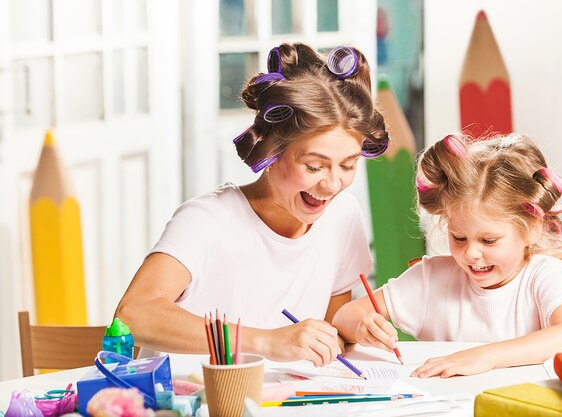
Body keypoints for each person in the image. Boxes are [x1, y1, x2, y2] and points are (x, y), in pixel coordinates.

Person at [114, 43, 389, 367]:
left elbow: (332, 333)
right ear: (271, 152)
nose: (331, 184)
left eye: (348, 165)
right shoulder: (208, 219)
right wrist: (264, 340)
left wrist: (357, 325)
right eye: (314, 166)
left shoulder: (343, 216)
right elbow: (133, 314)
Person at [332, 133, 562, 377]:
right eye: (459, 238)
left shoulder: (544, 276)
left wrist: (486, 356)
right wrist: (362, 326)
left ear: (532, 229)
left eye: (488, 240)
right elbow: (344, 316)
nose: (471, 253)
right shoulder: (432, 278)